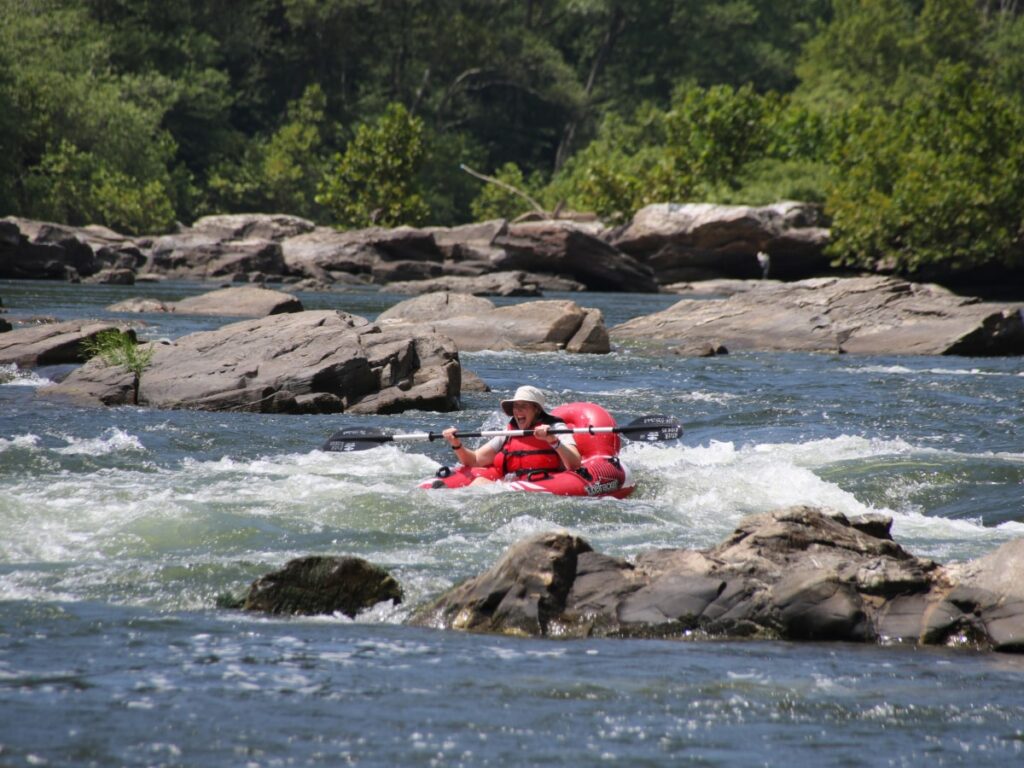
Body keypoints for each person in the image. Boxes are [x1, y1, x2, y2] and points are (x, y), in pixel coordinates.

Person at [442, 385, 582, 484]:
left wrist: (552, 440)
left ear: (537, 410)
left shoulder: (555, 427)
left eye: (524, 406)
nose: (518, 411)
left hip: (546, 483)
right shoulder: (510, 431)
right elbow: (475, 460)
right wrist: (456, 444)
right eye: (516, 406)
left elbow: (575, 464)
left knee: (480, 483)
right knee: (479, 482)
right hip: (513, 484)